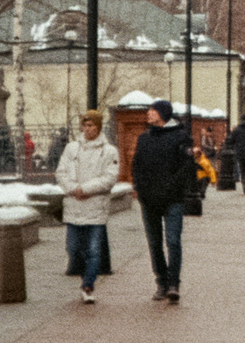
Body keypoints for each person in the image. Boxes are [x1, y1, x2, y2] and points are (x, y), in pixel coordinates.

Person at [129, 99, 193, 303]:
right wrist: (138, 187)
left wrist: (172, 187)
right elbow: (136, 165)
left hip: (172, 198)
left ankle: (174, 283)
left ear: (163, 114)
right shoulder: (145, 138)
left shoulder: (180, 137)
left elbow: (186, 167)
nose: (149, 113)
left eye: (153, 110)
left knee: (173, 241)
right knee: (154, 242)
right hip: (149, 199)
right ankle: (161, 282)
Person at [57, 108, 120, 303]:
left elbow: (109, 178)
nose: (87, 129)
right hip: (74, 205)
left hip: (95, 206)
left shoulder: (108, 151)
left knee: (94, 249)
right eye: (85, 125)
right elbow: (61, 173)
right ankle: (83, 274)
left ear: (98, 127)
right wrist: (74, 188)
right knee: (73, 248)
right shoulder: (71, 149)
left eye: (91, 125)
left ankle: (89, 285)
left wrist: (86, 189)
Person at [225, 113, 245, 193]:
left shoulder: (236, 130)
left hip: (239, 152)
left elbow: (231, 141)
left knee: (242, 169)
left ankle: (244, 184)